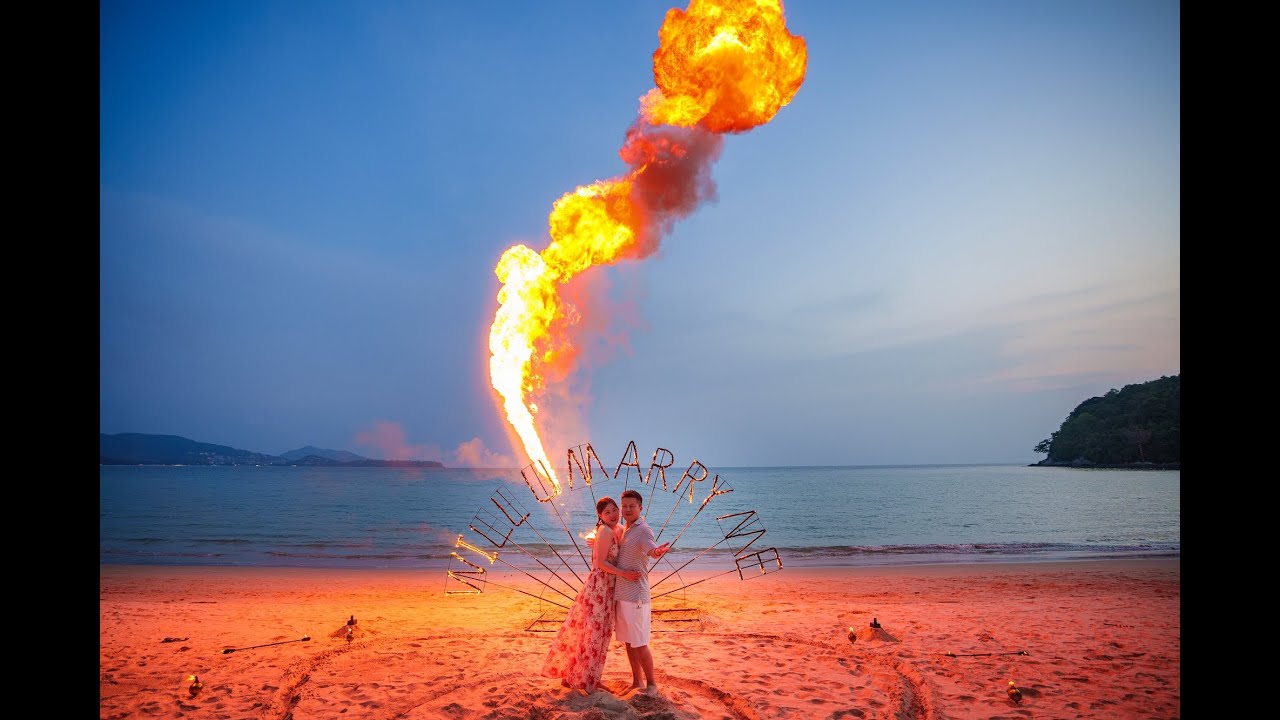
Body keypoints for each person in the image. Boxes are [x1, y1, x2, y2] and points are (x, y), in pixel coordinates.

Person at [541, 496, 639, 695]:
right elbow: (599, 563)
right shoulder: (604, 531)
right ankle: (590, 681)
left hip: (610, 587)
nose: (613, 515)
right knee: (595, 634)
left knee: (598, 634)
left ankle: (575, 677)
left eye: (614, 510)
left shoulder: (618, 528)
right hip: (600, 587)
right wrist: (624, 574)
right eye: (607, 512)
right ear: (600, 516)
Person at [614, 489, 672, 696]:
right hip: (621, 594)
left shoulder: (643, 530)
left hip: (637, 595)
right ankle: (636, 682)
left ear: (640, 508)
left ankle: (652, 685)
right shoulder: (624, 529)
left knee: (640, 642)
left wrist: (657, 552)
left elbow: (651, 548)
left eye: (632, 506)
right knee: (629, 642)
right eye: (625, 506)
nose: (628, 509)